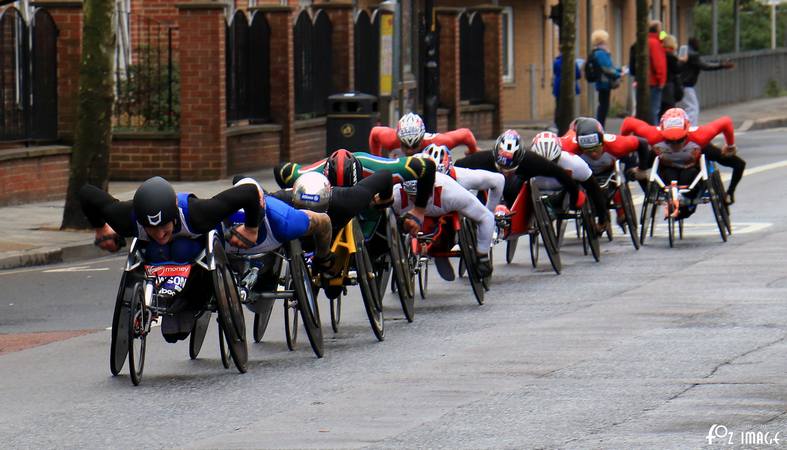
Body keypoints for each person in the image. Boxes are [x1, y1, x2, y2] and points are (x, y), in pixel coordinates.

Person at [79, 177, 262, 342]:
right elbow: (86, 193)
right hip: (157, 257)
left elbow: (249, 192)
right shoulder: (125, 219)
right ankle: (167, 299)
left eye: (163, 226)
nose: (159, 234)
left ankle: (190, 302)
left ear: (174, 216)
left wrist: (251, 228)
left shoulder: (199, 213)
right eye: (151, 228)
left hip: (196, 258)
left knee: (181, 248)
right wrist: (101, 228)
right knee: (158, 248)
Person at [274, 149, 436, 235]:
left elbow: (427, 167)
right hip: (327, 205)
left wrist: (419, 210)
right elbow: (281, 170)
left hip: (369, 203)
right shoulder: (309, 176)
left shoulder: (380, 168)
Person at [621, 108, 745, 211]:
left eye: (680, 140)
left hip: (692, 167)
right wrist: (626, 146)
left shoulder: (700, 136)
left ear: (687, 131)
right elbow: (628, 123)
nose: (675, 145)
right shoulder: (653, 135)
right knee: (632, 173)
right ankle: (650, 193)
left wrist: (730, 145)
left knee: (739, 164)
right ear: (662, 132)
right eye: (669, 140)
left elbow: (726, 122)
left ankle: (730, 193)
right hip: (667, 167)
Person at [392, 172, 495, 280]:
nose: (417, 200)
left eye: (421, 195)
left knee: (451, 221)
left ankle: (441, 252)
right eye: (412, 196)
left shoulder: (452, 194)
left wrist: (482, 255)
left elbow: (486, 217)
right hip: (413, 217)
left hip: (444, 214)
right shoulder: (396, 196)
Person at [454, 130, 585, 210]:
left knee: (516, 183)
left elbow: (559, 173)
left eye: (510, 168)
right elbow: (457, 167)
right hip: (490, 189)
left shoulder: (532, 160)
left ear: (520, 158)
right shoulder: (483, 158)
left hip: (517, 187)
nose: (506, 171)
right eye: (502, 168)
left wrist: (575, 194)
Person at [560, 117, 651, 228]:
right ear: (579, 146)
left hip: (609, 170)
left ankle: (622, 212)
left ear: (602, 142)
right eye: (588, 150)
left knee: (619, 178)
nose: (593, 154)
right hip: (585, 175)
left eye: (596, 148)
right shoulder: (569, 146)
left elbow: (643, 143)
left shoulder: (617, 144)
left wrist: (642, 169)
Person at [528, 131, 610, 231]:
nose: (547, 168)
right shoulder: (524, 163)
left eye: (553, 163)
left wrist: (602, 219)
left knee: (586, 188)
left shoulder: (574, 163)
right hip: (537, 191)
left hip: (565, 191)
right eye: (542, 163)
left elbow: (594, 189)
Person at [422, 144, 505, 213]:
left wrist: (489, 212)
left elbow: (499, 180)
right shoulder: (412, 175)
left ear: (449, 171)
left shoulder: (462, 176)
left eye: (441, 178)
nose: (437, 182)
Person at [678, 37, 735, 126]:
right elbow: (705, 66)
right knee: (693, 108)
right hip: (687, 85)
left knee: (687, 108)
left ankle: (684, 127)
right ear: (695, 43)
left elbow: (702, 63)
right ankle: (690, 129)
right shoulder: (693, 55)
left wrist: (719, 64)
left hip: (681, 84)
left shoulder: (685, 52)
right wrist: (721, 65)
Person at [368, 112, 479, 157]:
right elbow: (374, 133)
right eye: (405, 146)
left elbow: (466, 134)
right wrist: (377, 158)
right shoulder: (390, 139)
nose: (410, 151)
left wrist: (473, 151)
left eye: (415, 145)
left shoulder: (437, 142)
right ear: (398, 138)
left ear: (422, 139)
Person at [589, 30, 623, 127]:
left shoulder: (598, 53)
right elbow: (607, 68)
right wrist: (618, 74)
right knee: (603, 106)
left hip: (602, 82)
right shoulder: (601, 53)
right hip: (604, 82)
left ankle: (600, 125)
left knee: (603, 105)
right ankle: (600, 126)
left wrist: (619, 70)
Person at [553, 52, 582, 128]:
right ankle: (569, 124)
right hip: (570, 88)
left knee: (559, 106)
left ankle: (558, 124)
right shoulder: (572, 62)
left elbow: (555, 72)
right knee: (569, 106)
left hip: (558, 87)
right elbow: (578, 74)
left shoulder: (556, 62)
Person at [648, 21, 668, 125]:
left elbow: (664, 36)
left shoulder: (649, 40)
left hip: (650, 80)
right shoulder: (655, 43)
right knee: (655, 109)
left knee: (652, 109)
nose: (662, 30)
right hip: (654, 81)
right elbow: (658, 63)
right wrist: (661, 80)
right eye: (660, 28)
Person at [659, 35, 684, 118]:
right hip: (668, 86)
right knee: (669, 109)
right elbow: (677, 69)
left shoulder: (661, 54)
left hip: (661, 85)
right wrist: (682, 61)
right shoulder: (671, 56)